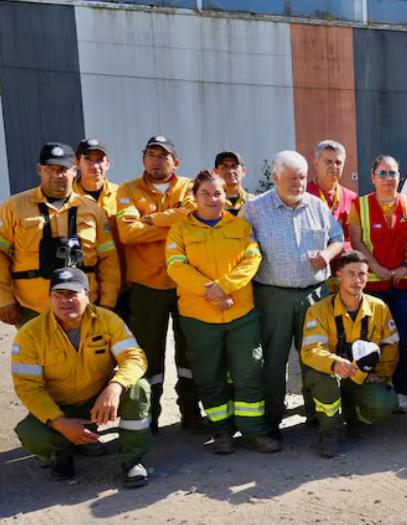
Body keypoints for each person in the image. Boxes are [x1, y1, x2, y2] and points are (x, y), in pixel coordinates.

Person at [166, 170, 279, 455]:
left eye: (217, 193)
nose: (212, 199)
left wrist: (225, 287)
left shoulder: (239, 227)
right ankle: (222, 432)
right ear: (194, 197)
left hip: (241, 314)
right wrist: (213, 293)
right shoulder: (180, 230)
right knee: (209, 376)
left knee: (249, 373)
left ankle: (254, 431)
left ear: (225, 195)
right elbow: (176, 267)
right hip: (200, 317)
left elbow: (252, 260)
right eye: (205, 193)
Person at [11, 268, 152, 488]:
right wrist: (60, 422)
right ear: (50, 298)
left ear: (88, 295)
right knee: (32, 434)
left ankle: (132, 459)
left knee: (138, 388)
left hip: (98, 401)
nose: (65, 301)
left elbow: (134, 357)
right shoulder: (31, 334)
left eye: (72, 294)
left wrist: (115, 387)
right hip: (60, 406)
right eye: (58, 295)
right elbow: (28, 388)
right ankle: (62, 453)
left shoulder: (107, 320)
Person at [242, 150, 344, 436]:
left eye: (301, 177)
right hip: (273, 295)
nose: (298, 183)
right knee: (273, 361)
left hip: (314, 294)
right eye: (291, 178)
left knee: (316, 356)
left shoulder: (317, 206)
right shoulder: (254, 209)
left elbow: (337, 238)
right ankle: (272, 418)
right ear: (275, 177)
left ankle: (316, 415)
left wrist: (327, 253)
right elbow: (240, 250)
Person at [116, 136, 197, 433]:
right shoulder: (128, 190)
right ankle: (149, 416)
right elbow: (127, 233)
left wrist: (149, 220)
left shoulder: (189, 187)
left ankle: (191, 413)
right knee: (148, 355)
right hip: (146, 286)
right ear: (143, 158)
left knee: (190, 353)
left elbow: (192, 218)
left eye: (163, 156)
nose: (156, 160)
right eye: (151, 154)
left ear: (176, 161)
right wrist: (171, 224)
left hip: (185, 283)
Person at [0, 143, 120, 327]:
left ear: (74, 171)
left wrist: (108, 302)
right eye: (50, 169)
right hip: (32, 307)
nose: (57, 175)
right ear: (39, 170)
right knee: (35, 355)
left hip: (84, 305)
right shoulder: (13, 207)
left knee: (88, 355)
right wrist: (3, 300)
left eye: (63, 169)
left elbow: (109, 260)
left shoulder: (92, 210)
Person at [300, 251, 399, 458]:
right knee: (323, 380)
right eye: (351, 274)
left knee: (386, 404)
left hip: (360, 377)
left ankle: (354, 420)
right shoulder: (318, 310)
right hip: (329, 376)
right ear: (338, 276)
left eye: (362, 274)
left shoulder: (379, 308)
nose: (357, 280)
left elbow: (391, 346)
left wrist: (381, 374)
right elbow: (311, 351)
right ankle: (329, 432)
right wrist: (335, 364)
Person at [347, 155, 407, 414]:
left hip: (405, 286)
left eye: (392, 173)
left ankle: (401, 391)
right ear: (372, 177)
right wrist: (375, 267)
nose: (388, 178)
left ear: (399, 176)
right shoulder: (360, 205)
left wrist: (406, 266)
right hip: (373, 288)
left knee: (403, 340)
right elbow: (357, 241)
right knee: (368, 341)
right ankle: (370, 391)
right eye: (383, 173)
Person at [74, 139, 128, 320]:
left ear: (108, 164)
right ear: (77, 163)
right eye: (88, 159)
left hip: (122, 286)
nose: (94, 165)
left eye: (99, 160)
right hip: (81, 286)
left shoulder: (123, 195)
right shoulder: (68, 199)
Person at [213, 151, 253, 216]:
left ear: (243, 171)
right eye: (225, 166)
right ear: (215, 172)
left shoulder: (254, 202)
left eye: (234, 166)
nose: (230, 171)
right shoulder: (210, 204)